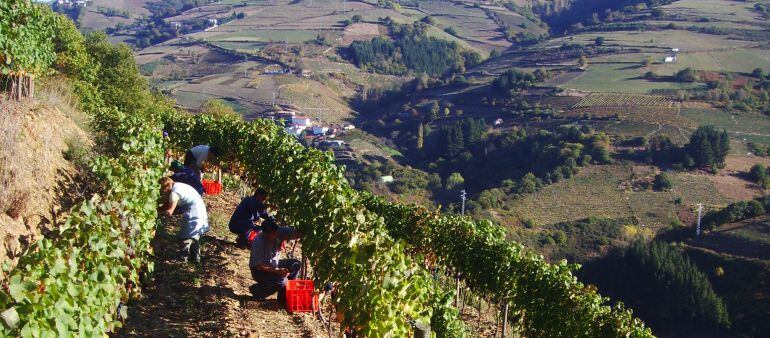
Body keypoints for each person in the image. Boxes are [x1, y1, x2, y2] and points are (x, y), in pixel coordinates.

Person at [158, 177, 210, 263]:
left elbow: (169, 211)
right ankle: (196, 259)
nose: (161, 192)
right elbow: (165, 199)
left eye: (161, 190)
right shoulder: (177, 185)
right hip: (199, 209)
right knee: (194, 236)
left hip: (194, 212)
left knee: (185, 237)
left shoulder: (174, 193)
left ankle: (183, 259)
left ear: (165, 188)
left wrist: (157, 214)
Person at [248, 219, 301, 302]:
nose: (276, 235)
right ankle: (257, 291)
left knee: (295, 264)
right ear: (265, 234)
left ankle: (283, 297)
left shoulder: (278, 233)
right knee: (282, 281)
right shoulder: (258, 242)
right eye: (273, 234)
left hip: (274, 264)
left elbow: (296, 232)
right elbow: (259, 265)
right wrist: (277, 271)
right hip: (259, 271)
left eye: (276, 233)